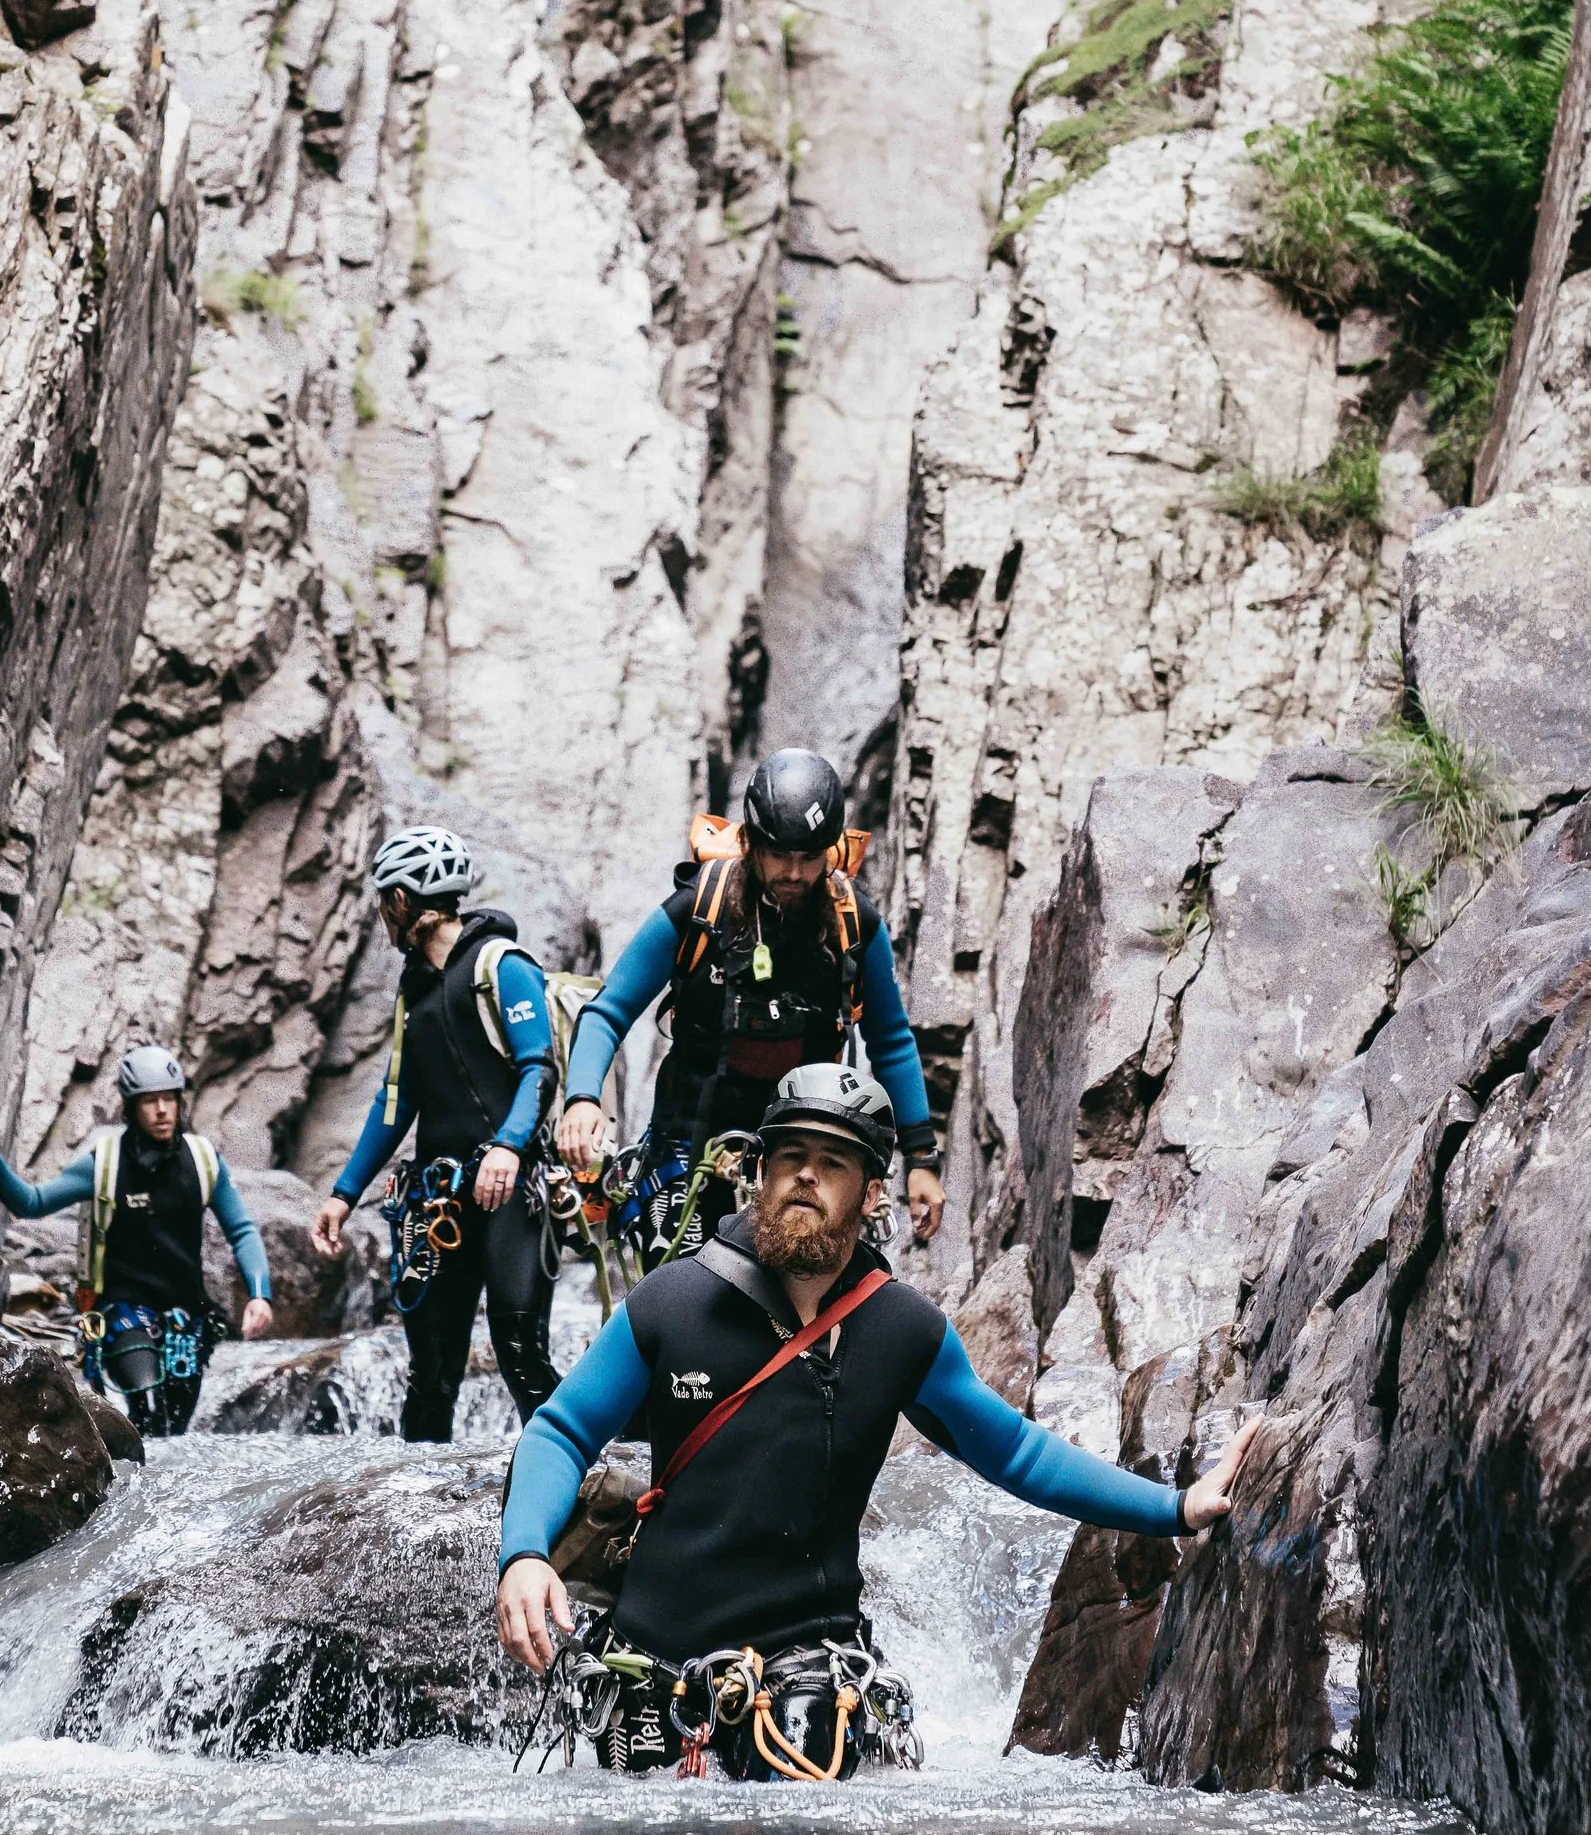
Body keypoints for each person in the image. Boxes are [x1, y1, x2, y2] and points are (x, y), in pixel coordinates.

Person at [497, 1059, 1247, 1780]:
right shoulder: (671, 1303)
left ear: (871, 1194)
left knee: (797, 1820)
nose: (805, 1175)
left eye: (833, 1162)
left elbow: (1014, 1452)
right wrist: (524, 1555)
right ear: (759, 1174)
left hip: (808, 1664)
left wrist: (1174, 1508)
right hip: (655, 1664)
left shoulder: (902, 1331)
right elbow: (562, 1430)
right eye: (789, 1154)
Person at [555, 745, 947, 1247]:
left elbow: (891, 1040)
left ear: (830, 852)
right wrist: (582, 1100)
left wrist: (921, 1160)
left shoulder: (855, 925)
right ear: (750, 843)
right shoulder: (697, 909)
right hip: (689, 1137)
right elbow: (608, 1012)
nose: (794, 873)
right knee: (681, 1303)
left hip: (801, 1146)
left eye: (810, 858)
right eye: (779, 855)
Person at [310, 826, 561, 1439]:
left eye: (384, 900)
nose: (382, 913)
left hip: (513, 1191)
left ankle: (581, 1485)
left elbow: (539, 1067)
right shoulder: (414, 991)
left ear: (401, 901)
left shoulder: (503, 966)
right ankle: (414, 1516)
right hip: (438, 1198)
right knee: (430, 1374)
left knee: (520, 1351)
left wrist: (509, 1145)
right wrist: (343, 1194)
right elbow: (396, 1102)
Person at [0, 1043, 275, 1435]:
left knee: (175, 1430)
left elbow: (242, 1230)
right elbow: (32, 1203)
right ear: (132, 1106)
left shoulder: (203, 1160)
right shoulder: (105, 1163)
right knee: (148, 1409)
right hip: (123, 1311)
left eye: (170, 1099)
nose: (163, 1110)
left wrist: (259, 1293)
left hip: (188, 1316)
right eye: (150, 1101)